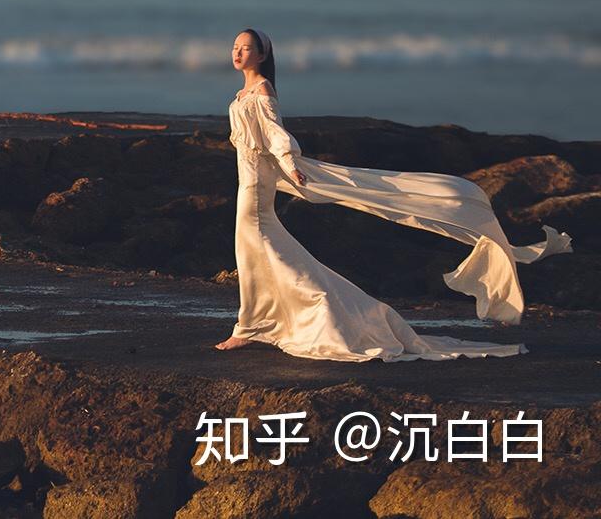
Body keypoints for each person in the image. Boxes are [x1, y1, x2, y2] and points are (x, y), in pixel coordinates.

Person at [213, 28, 572, 362]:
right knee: (257, 253)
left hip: (256, 188)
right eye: (235, 47)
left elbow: (276, 135)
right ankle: (261, 321)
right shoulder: (243, 93)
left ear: (261, 55)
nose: (237, 52)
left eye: (245, 48)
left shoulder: (262, 92)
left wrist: (290, 165)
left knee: (257, 248)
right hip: (249, 180)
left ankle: (269, 320)